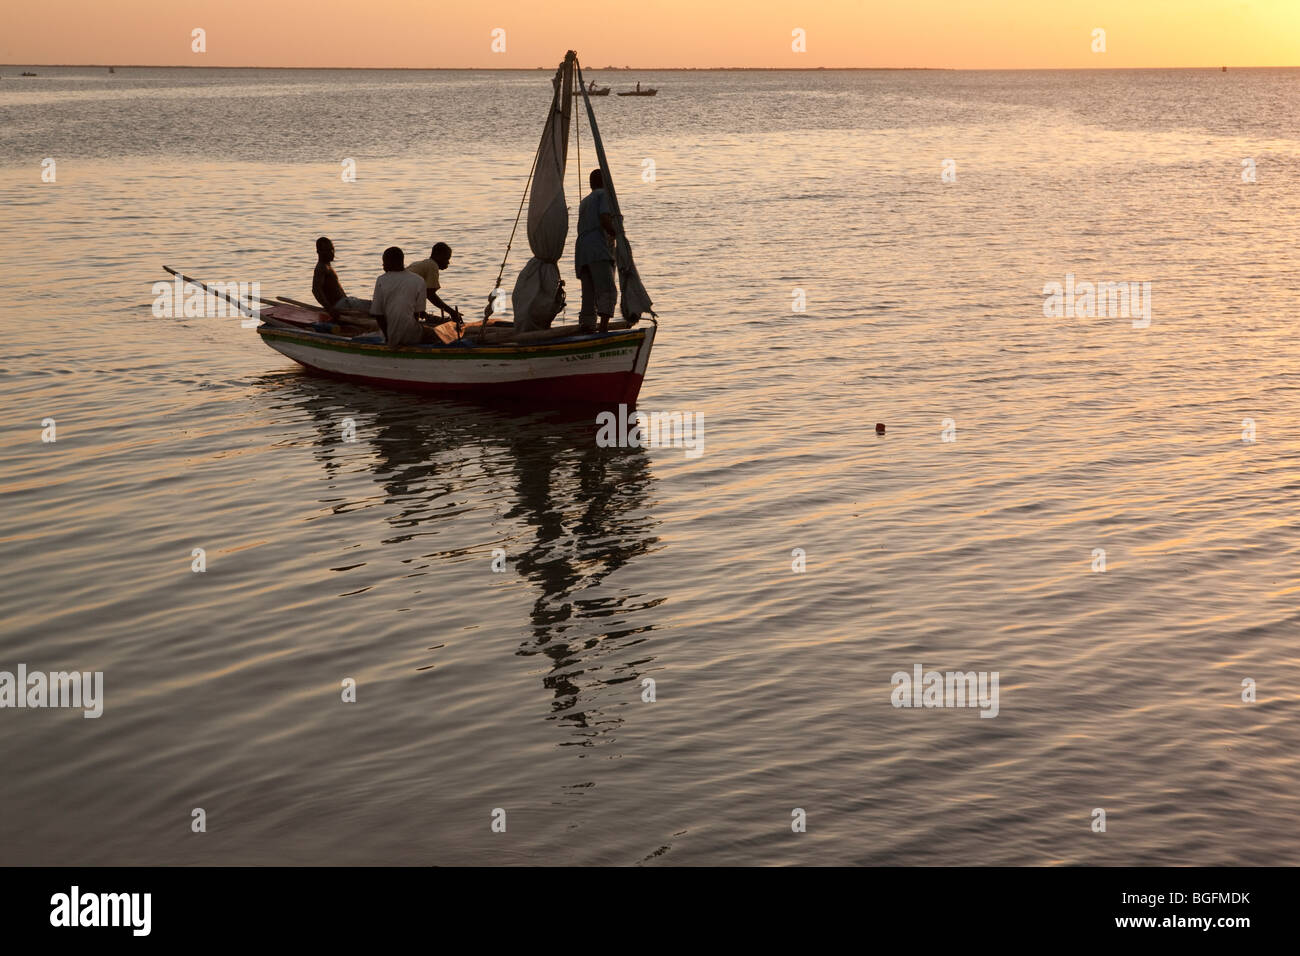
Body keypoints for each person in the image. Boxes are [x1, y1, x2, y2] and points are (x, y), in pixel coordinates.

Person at [574, 168, 617, 332]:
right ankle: (603, 329)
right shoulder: (603, 195)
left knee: (589, 292)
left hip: (582, 250)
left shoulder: (585, 201)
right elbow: (604, 218)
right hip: (597, 248)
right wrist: (616, 233)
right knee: (607, 289)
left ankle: (587, 326)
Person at [369, 247, 429, 346]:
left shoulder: (381, 280)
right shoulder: (419, 280)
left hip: (390, 336)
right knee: (434, 333)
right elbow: (417, 313)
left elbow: (378, 314)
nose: (383, 266)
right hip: (412, 335)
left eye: (384, 262)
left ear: (393, 262)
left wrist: (388, 337)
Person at [312, 237, 370, 318]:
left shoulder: (327, 266)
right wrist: (329, 309)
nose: (332, 252)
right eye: (328, 250)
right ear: (319, 252)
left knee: (375, 306)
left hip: (345, 302)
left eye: (332, 249)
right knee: (375, 307)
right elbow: (316, 290)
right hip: (341, 305)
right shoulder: (321, 267)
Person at [406, 242, 462, 325]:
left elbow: (420, 293)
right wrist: (452, 312)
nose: (448, 262)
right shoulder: (432, 266)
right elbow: (430, 295)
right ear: (438, 255)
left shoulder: (421, 264)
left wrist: (422, 312)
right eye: (446, 258)